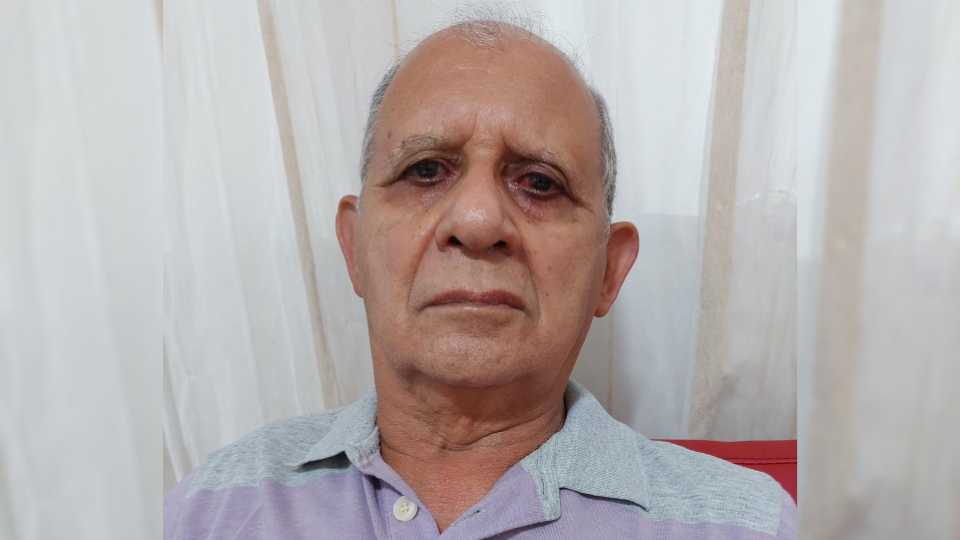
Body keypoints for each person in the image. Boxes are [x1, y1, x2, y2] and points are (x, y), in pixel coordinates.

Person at [164, 17, 797, 540]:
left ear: (609, 269)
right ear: (354, 247)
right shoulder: (208, 509)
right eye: (425, 170)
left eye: (539, 182)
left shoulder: (749, 525)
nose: (476, 221)